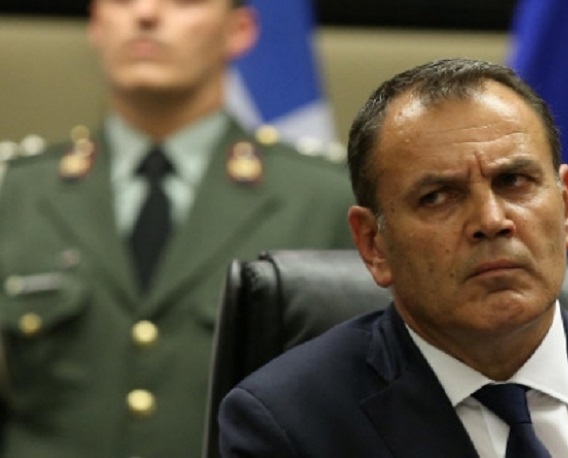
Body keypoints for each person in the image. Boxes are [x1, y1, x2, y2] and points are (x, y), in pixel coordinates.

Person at [217, 58, 568, 457]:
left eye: (514, 181)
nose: (491, 220)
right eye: (438, 196)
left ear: (567, 208)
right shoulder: (290, 427)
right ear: (373, 244)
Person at [0, 0, 354, 456]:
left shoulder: (324, 200)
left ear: (239, 29)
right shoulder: (16, 191)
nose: (146, 12)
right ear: (96, 24)